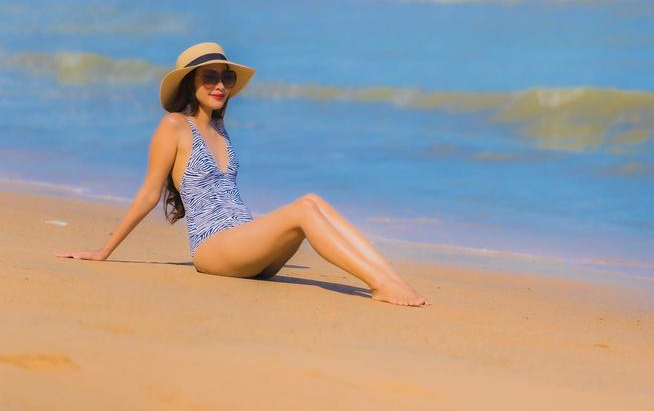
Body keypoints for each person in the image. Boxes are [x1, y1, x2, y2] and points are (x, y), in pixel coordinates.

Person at [56, 41, 431, 307]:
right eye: (209, 77)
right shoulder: (174, 125)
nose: (219, 85)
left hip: (245, 247)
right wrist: (104, 251)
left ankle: (392, 279)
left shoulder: (221, 131)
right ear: (191, 83)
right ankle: (379, 284)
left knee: (314, 200)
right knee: (303, 208)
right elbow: (149, 193)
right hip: (214, 248)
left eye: (226, 77)